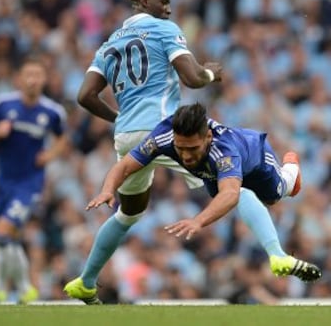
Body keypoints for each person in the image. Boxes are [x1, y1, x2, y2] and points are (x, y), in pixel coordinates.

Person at [66, 102, 322, 304]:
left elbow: (230, 195)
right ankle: (278, 256)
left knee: (273, 193)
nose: (186, 156)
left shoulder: (224, 150)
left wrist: (198, 221)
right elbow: (124, 165)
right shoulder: (163, 137)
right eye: (181, 148)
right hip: (212, 175)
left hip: (256, 161)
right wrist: (108, 189)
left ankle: (290, 172)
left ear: (208, 137)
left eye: (193, 148)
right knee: (236, 192)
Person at [64, 0, 222, 303]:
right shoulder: (165, 29)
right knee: (232, 179)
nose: (168, 6)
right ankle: (277, 253)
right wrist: (210, 73)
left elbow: (85, 96)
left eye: (169, 1)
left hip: (126, 136)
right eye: (162, 0)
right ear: (141, 1)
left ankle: (86, 281)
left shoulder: (109, 43)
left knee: (129, 213)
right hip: (161, 128)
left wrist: (118, 119)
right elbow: (191, 78)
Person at [0, 57, 68, 304]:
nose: (32, 79)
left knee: (2, 230)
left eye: (37, 75)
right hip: (4, 179)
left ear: (44, 79)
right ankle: (25, 287)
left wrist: (49, 155)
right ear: (19, 78)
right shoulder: (3, 104)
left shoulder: (52, 112)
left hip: (30, 183)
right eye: (28, 74)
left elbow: (62, 139)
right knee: (10, 236)